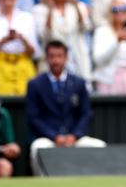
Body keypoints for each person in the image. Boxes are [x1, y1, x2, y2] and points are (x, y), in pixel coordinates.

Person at [25, 40, 106, 176]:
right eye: (52, 56)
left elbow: (86, 113)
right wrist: (54, 136)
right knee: (37, 148)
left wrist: (74, 136)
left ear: (66, 58)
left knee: (99, 146)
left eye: (59, 56)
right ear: (46, 58)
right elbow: (34, 118)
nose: (56, 60)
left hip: (74, 138)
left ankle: (92, 182)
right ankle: (43, 183)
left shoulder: (79, 83)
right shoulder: (35, 84)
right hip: (48, 139)